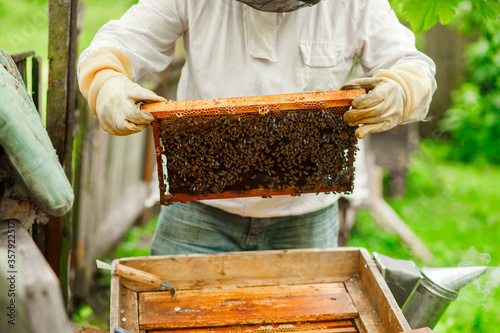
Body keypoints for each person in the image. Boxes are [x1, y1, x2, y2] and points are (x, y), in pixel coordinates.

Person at [78, 0, 436, 255]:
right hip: (198, 216)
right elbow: (121, 41)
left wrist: (402, 88)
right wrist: (107, 81)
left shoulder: (356, 4)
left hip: (306, 221)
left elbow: (411, 63)